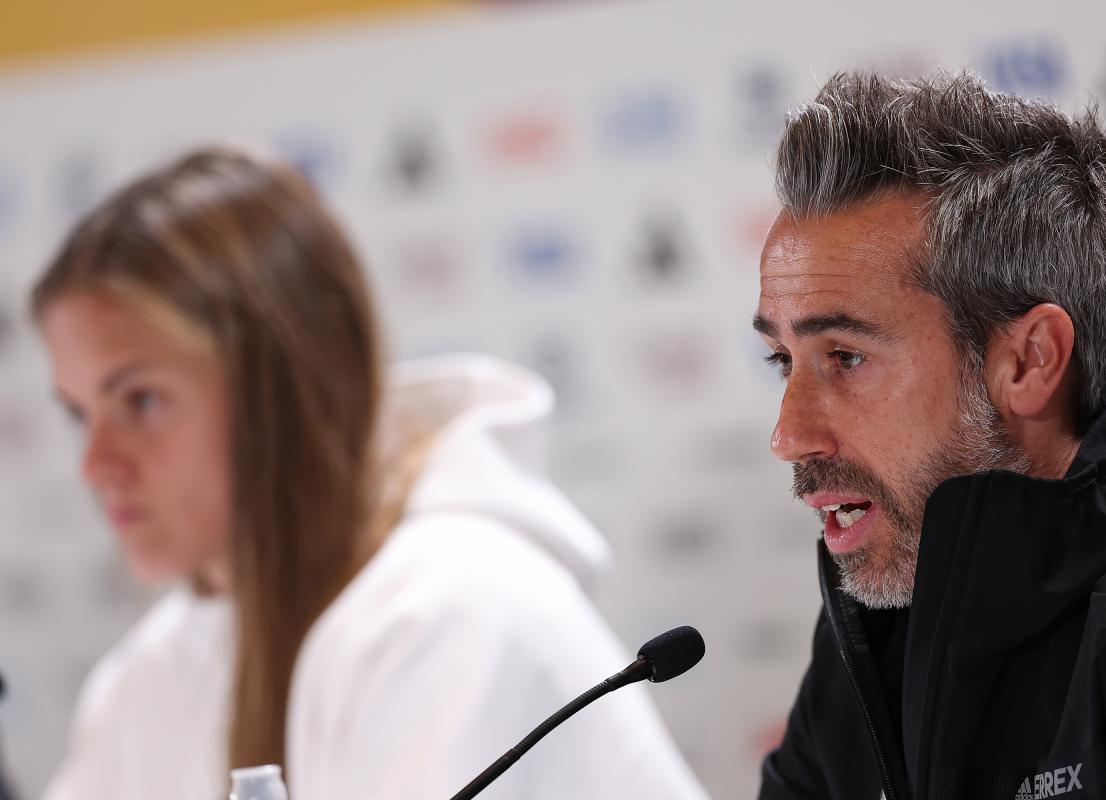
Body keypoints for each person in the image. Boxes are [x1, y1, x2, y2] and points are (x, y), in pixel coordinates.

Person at [32, 146, 708, 800]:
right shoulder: (147, 675)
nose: (96, 465)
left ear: (288, 386)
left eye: (141, 401)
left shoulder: (456, 616)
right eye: (78, 412)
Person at [753, 71, 1106, 800]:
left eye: (845, 357)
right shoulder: (882, 613)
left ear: (1030, 360)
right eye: (783, 361)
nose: (789, 436)